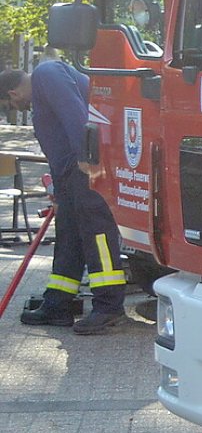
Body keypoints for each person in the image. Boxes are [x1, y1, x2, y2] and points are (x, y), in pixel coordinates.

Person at [0, 61, 127, 333]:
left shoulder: (47, 74)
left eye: (11, 105)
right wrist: (58, 191)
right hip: (70, 175)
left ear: (11, 94)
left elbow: (75, 116)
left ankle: (109, 306)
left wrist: (86, 158)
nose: (17, 108)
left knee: (97, 234)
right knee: (69, 235)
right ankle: (58, 303)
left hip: (85, 168)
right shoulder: (44, 87)